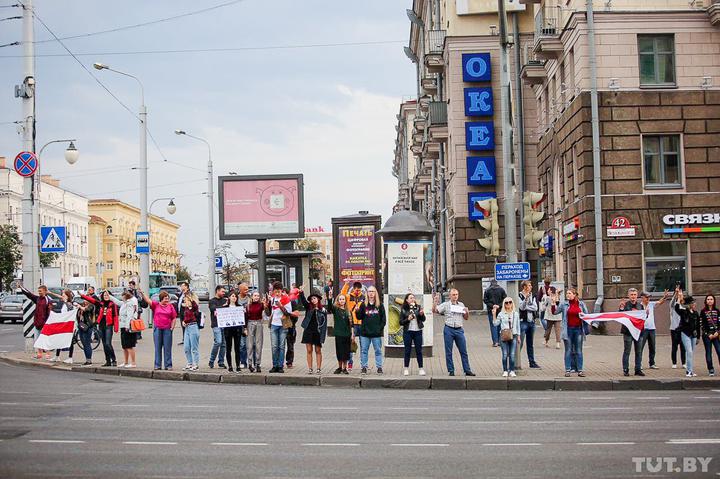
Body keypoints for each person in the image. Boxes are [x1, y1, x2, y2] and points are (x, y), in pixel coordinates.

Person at [433, 288, 475, 377]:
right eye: (453, 295)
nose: (455, 296)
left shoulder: (461, 305)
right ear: (450, 296)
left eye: (456, 294)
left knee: (463, 351)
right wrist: (435, 302)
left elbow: (466, 318)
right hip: (449, 329)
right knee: (449, 351)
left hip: (459, 329)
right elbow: (435, 311)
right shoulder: (446, 305)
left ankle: (467, 370)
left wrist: (467, 312)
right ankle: (451, 370)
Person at [553, 288, 589, 377]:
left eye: (569, 293)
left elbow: (587, 315)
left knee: (578, 351)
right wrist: (553, 303)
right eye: (567, 293)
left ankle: (580, 370)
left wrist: (584, 317)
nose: (567, 295)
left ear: (574, 294)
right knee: (568, 350)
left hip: (578, 330)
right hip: (568, 330)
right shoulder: (564, 304)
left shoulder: (581, 304)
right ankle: (568, 370)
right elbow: (555, 312)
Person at [142, 290, 177, 370]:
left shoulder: (170, 306)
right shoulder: (156, 305)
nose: (167, 300)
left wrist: (172, 327)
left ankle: (168, 365)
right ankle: (157, 365)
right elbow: (148, 300)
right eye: (165, 298)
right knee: (158, 347)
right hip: (157, 329)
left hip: (167, 329)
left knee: (167, 348)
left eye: (168, 298)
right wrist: (142, 294)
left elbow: (174, 317)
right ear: (161, 299)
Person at [81, 290, 118, 367]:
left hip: (109, 326)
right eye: (104, 295)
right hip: (101, 326)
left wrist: (116, 327)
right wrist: (83, 296)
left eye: (107, 295)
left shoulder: (112, 305)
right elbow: (92, 300)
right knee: (104, 344)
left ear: (110, 296)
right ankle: (108, 361)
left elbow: (115, 316)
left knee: (108, 344)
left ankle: (113, 359)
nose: (106, 297)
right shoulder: (101, 304)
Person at [19, 283, 53, 360]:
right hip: (37, 323)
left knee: (45, 339)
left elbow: (50, 312)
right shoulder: (37, 299)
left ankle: (48, 355)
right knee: (37, 340)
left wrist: (48, 322)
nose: (39, 292)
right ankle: (39, 354)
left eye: (40, 291)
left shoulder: (49, 300)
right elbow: (29, 295)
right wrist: (21, 287)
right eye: (38, 291)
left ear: (45, 291)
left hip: (45, 323)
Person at [356, 285, 386, 375]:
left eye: (373, 291)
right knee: (364, 351)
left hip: (376, 333)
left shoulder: (379, 305)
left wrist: (379, 329)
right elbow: (359, 317)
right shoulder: (363, 305)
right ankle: (364, 367)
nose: (371, 293)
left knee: (378, 351)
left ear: (375, 293)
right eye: (369, 292)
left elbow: (383, 319)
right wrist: (357, 311)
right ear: (367, 293)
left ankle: (379, 367)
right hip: (365, 333)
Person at [299, 289, 328, 374]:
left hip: (317, 332)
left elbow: (324, 323)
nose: (313, 300)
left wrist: (323, 334)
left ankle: (318, 368)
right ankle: (310, 368)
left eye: (314, 298)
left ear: (318, 299)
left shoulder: (322, 310)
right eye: (311, 299)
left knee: (318, 350)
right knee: (309, 350)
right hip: (308, 331)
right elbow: (303, 301)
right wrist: (301, 292)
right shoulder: (308, 307)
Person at [266, 282, 292, 373]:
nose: (277, 293)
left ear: (282, 291)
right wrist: (267, 305)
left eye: (279, 291)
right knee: (274, 346)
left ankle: (280, 366)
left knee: (281, 346)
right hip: (273, 324)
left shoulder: (286, 299)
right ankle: (274, 365)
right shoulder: (272, 299)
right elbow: (268, 313)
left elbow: (288, 313)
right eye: (275, 291)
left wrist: (281, 306)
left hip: (283, 325)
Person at [640, 290, 670, 370]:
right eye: (647, 297)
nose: (648, 299)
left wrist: (665, 297)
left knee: (652, 347)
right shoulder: (639, 306)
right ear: (642, 298)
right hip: (643, 329)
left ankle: (652, 363)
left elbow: (659, 302)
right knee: (640, 347)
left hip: (652, 328)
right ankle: (639, 364)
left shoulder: (651, 304)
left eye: (649, 297)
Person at [108, 291, 139, 368]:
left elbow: (130, 315)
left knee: (129, 345)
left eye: (122, 296)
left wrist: (127, 326)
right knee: (124, 346)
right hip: (123, 326)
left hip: (127, 327)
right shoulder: (125, 303)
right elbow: (118, 302)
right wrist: (110, 296)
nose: (121, 298)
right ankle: (125, 362)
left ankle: (133, 363)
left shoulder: (129, 304)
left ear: (125, 296)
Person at [619, 288, 645, 376]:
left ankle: (638, 369)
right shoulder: (625, 305)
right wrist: (622, 309)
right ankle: (625, 369)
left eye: (634, 295)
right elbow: (620, 316)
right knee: (627, 351)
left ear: (637, 296)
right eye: (631, 295)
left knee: (639, 351)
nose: (633, 296)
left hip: (638, 332)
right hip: (628, 332)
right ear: (628, 296)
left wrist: (646, 313)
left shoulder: (640, 306)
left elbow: (643, 318)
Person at [399, 293, 426, 376]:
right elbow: (400, 322)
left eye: (413, 298)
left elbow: (423, 319)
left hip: (417, 331)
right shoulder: (403, 309)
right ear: (407, 300)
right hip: (408, 332)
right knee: (407, 350)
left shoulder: (418, 307)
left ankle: (421, 368)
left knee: (419, 350)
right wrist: (408, 319)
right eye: (410, 298)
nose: (412, 299)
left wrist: (422, 314)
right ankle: (406, 368)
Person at [492, 297, 520, 377]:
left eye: (510, 302)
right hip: (504, 335)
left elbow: (518, 326)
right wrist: (494, 314)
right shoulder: (501, 314)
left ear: (512, 303)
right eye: (506, 303)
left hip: (513, 335)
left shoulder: (515, 314)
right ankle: (505, 370)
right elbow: (495, 324)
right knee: (504, 354)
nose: (508, 304)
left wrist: (518, 336)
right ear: (504, 304)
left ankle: (512, 370)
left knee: (512, 354)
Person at [341, 281, 365, 371]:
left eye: (359, 290)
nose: (357, 292)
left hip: (362, 323)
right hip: (352, 324)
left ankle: (363, 365)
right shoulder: (348, 296)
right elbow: (341, 295)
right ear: (353, 289)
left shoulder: (364, 297)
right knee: (351, 345)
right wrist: (346, 284)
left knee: (363, 346)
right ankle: (350, 363)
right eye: (356, 290)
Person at [674, 293, 700, 378]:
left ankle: (691, 371)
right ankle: (689, 371)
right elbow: (676, 308)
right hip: (685, 334)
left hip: (693, 335)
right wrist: (678, 299)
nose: (694, 304)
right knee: (689, 352)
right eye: (693, 303)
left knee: (691, 353)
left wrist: (698, 337)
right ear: (689, 304)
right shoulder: (684, 312)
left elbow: (698, 326)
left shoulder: (696, 313)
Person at [47, 289, 76, 364]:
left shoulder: (69, 304)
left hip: (69, 326)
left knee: (70, 341)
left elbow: (69, 315)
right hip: (63, 325)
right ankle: (57, 356)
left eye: (64, 295)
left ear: (67, 296)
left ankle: (70, 358)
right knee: (59, 339)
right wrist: (50, 293)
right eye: (62, 295)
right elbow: (59, 296)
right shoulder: (65, 303)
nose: (62, 296)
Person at [220, 290, 245, 373]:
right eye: (232, 296)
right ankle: (230, 366)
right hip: (228, 330)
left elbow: (244, 318)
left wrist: (244, 312)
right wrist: (218, 314)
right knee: (228, 348)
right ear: (229, 297)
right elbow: (220, 316)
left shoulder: (239, 307)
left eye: (235, 296)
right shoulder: (225, 307)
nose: (234, 298)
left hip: (237, 329)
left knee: (237, 348)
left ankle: (238, 366)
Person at [328, 293, 353, 374]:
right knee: (339, 351)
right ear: (338, 301)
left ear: (345, 301)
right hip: (339, 333)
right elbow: (330, 307)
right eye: (340, 299)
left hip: (347, 334)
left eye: (343, 299)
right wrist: (330, 298)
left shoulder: (348, 311)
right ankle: (339, 367)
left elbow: (351, 324)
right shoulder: (336, 309)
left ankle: (344, 368)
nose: (342, 301)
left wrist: (352, 334)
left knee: (346, 352)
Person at [518, 280, 541, 369]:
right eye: (529, 285)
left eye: (531, 285)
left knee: (530, 343)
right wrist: (526, 300)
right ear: (524, 287)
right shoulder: (519, 295)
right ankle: (516, 360)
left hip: (531, 322)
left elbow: (535, 307)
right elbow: (521, 307)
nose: (531, 287)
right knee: (520, 343)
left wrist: (527, 306)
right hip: (523, 321)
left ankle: (532, 362)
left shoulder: (533, 295)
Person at [207, 286, 227, 370]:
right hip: (216, 324)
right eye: (222, 291)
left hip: (224, 324)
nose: (224, 293)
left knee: (223, 344)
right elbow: (213, 309)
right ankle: (211, 360)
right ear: (217, 291)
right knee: (218, 342)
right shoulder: (212, 301)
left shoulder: (225, 300)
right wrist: (224, 306)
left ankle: (221, 362)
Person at [700, 294, 720, 377]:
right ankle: (710, 369)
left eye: (711, 299)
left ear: (714, 300)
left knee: (719, 351)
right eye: (708, 299)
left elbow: (719, 323)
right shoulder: (703, 311)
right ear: (706, 301)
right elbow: (701, 324)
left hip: (716, 335)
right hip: (707, 336)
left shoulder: (717, 311)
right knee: (708, 352)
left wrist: (717, 332)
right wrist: (708, 334)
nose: (710, 301)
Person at [246, 291, 265, 372]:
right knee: (249, 345)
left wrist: (267, 303)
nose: (256, 297)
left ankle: (258, 364)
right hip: (250, 323)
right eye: (255, 295)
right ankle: (250, 363)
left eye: (258, 295)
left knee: (258, 344)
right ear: (252, 297)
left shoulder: (261, 305)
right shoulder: (248, 306)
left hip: (259, 323)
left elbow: (268, 312)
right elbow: (245, 317)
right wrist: (244, 328)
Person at [483, 279, 506, 347]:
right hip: (500, 310)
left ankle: (495, 342)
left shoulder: (487, 290)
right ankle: (499, 341)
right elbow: (504, 299)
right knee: (500, 325)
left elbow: (485, 300)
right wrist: (499, 305)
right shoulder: (501, 290)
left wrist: (493, 305)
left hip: (491, 310)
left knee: (493, 326)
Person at [181, 293, 201, 371]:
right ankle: (189, 363)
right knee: (186, 346)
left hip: (193, 326)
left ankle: (195, 364)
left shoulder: (194, 307)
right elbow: (185, 317)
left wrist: (191, 300)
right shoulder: (186, 308)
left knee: (194, 347)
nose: (184, 301)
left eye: (185, 299)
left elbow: (195, 308)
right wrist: (183, 321)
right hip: (187, 327)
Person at [670, 286, 687, 369]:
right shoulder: (673, 306)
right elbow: (672, 302)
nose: (680, 295)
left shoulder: (684, 305)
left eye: (681, 294)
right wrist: (676, 294)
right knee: (674, 346)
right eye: (678, 294)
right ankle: (674, 362)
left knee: (683, 346)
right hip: (674, 328)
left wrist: (681, 298)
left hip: (683, 329)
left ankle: (684, 362)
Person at [285, 288, 301, 369]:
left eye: (285, 293)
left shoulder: (292, 302)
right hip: (280, 326)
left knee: (290, 345)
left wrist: (288, 314)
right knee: (279, 346)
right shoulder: (277, 302)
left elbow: (296, 315)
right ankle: (279, 362)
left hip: (291, 327)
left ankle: (289, 361)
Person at [75, 299, 96, 365]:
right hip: (81, 326)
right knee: (83, 343)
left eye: (86, 299)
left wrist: (80, 307)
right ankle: (87, 359)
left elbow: (86, 310)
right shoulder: (82, 305)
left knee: (87, 343)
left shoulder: (91, 306)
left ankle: (89, 360)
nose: (85, 300)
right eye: (84, 299)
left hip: (88, 326)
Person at [236, 283, 251, 368]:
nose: (247, 290)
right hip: (240, 324)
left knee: (251, 344)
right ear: (240, 290)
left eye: (247, 289)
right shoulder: (236, 298)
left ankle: (252, 361)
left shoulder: (250, 298)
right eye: (245, 289)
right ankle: (243, 361)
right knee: (242, 344)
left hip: (249, 322)